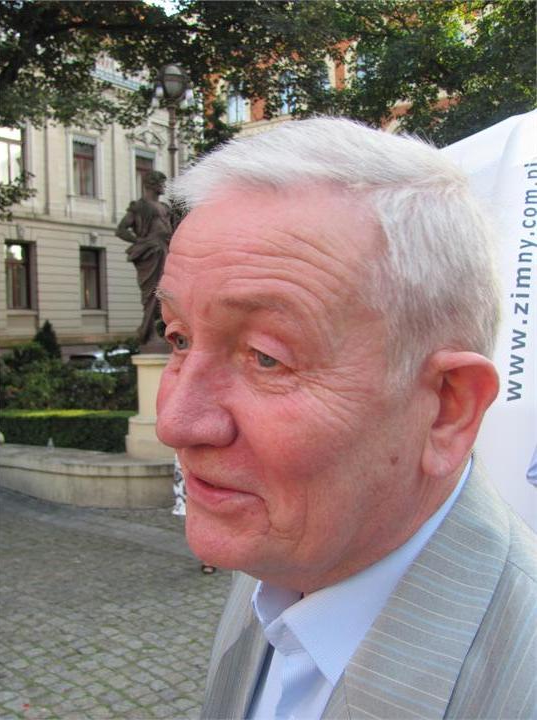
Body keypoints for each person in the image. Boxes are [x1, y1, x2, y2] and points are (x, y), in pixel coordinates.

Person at [155, 118, 536, 719]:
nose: (176, 423)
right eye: (178, 339)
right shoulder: (280, 555)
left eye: (266, 357)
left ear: (447, 408)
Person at [116, 170, 178, 348]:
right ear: (151, 184)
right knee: (152, 293)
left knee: (165, 292)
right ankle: (147, 333)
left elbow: (172, 227)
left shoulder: (165, 207)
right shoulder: (140, 206)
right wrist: (141, 242)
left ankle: (161, 330)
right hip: (151, 253)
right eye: (162, 183)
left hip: (165, 250)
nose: (165, 187)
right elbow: (121, 230)